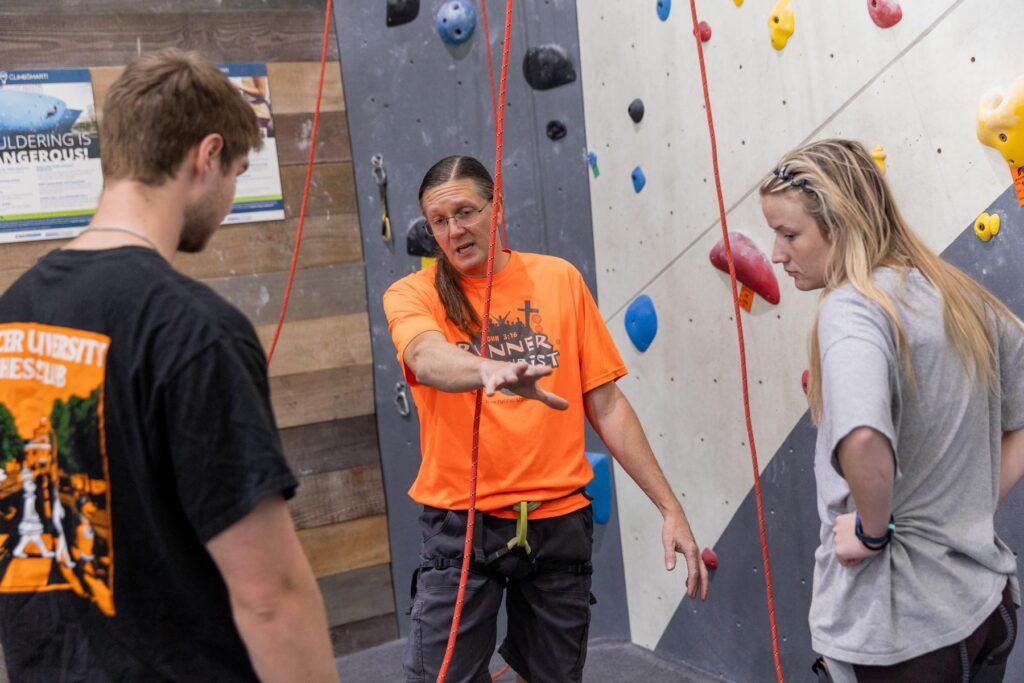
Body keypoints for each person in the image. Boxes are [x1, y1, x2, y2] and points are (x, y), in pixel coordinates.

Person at [0, 49, 338, 682]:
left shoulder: (11, 314)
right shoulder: (194, 332)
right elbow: (271, 597)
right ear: (204, 157)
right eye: (236, 171)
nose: (231, 197)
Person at [383, 155, 708, 683]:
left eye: (465, 212)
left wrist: (669, 508)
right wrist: (488, 368)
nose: (454, 230)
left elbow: (607, 404)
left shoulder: (559, 280)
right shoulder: (414, 294)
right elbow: (425, 358)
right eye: (439, 221)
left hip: (557, 521)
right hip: (463, 522)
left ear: (498, 207)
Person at [760, 138, 1024, 682]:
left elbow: (861, 440)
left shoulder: (851, 309)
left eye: (790, 235)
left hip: (902, 632)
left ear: (842, 224)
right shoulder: (957, 295)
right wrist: (970, 505)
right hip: (985, 608)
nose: (776, 253)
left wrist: (875, 530)